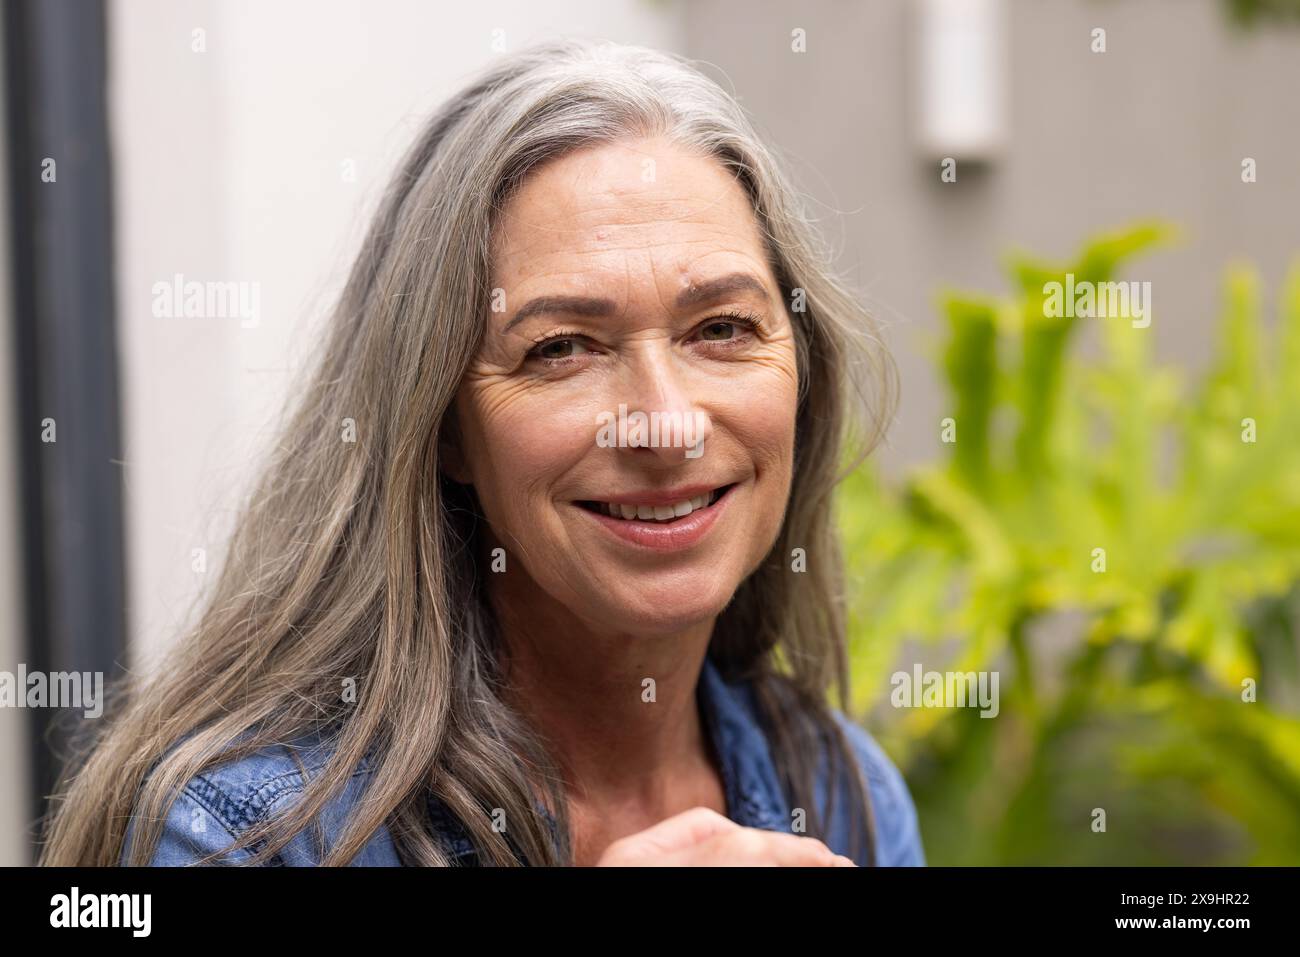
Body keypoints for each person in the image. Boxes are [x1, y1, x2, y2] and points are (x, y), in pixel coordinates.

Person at [39, 39, 922, 867]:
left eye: (722, 328)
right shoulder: (248, 832)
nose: (666, 423)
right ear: (448, 427)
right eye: (563, 347)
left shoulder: (847, 796)